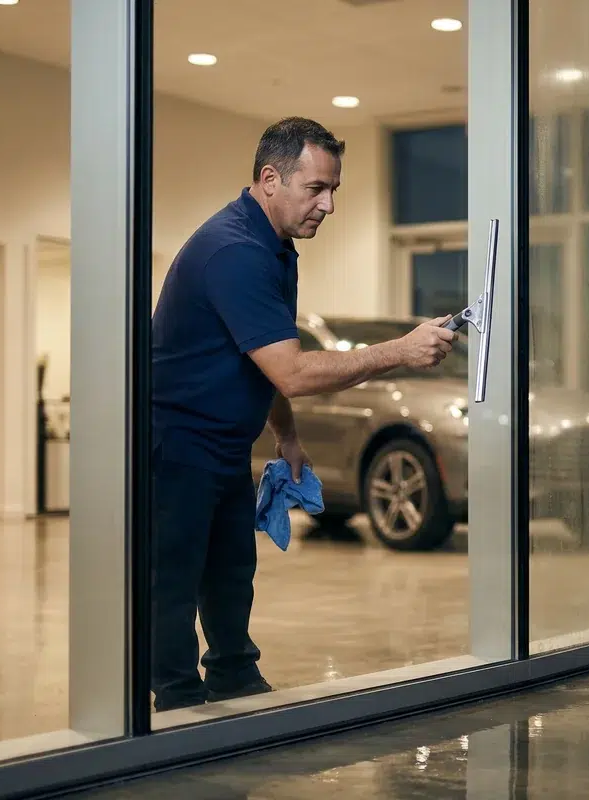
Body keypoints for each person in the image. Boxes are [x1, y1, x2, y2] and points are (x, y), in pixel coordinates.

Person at [149, 116, 457, 711]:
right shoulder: (234, 251)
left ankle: (234, 678)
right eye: (316, 188)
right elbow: (292, 370)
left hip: (224, 446)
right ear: (270, 178)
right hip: (176, 443)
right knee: (173, 581)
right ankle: (178, 704)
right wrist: (399, 350)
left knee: (230, 572)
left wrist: (286, 436)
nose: (329, 204)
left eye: (334, 189)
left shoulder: (274, 246)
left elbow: (261, 364)